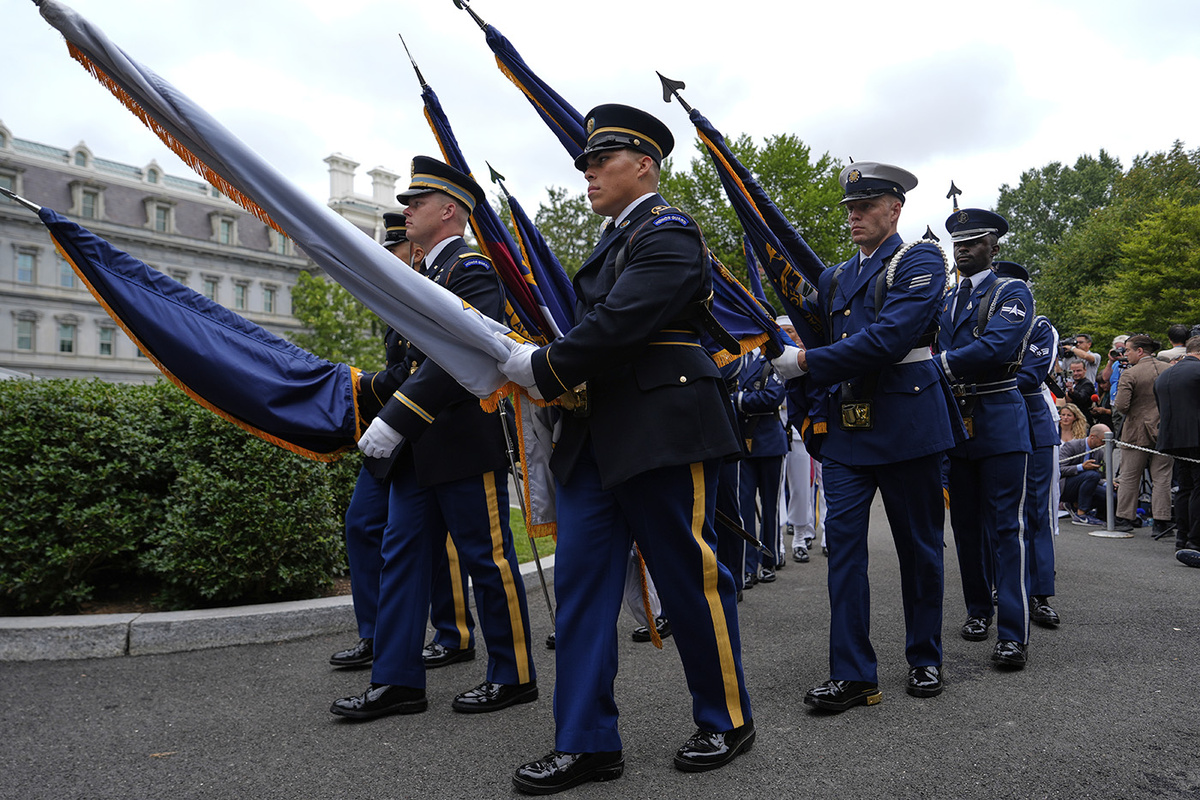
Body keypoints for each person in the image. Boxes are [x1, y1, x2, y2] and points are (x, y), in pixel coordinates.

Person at [495, 105, 753, 793]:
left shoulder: (669, 231)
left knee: (688, 581)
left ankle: (726, 718)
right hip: (595, 437)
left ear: (644, 165)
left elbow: (624, 318)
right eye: (584, 162)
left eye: (599, 161)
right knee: (580, 590)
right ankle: (586, 743)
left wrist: (543, 365)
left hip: (661, 427)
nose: (586, 172)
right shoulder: (614, 242)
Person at [331, 157, 536, 720]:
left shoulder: (472, 269)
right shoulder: (421, 278)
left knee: (487, 561)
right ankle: (397, 680)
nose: (406, 210)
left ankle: (513, 673)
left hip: (461, 439)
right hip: (419, 447)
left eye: (415, 203)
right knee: (400, 559)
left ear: (448, 211)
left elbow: (458, 357)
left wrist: (396, 417)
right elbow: (405, 363)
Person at [772, 162, 959, 709]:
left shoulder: (919, 259)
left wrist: (803, 361)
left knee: (919, 549)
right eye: (849, 209)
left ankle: (925, 657)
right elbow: (811, 327)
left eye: (865, 207)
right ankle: (853, 673)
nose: (854, 216)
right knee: (845, 552)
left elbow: (889, 337)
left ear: (895, 209)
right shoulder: (834, 277)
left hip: (907, 424)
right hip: (850, 431)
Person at [330, 212, 478, 672]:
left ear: (410, 252)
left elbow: (423, 370)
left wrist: (361, 385)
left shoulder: (437, 283)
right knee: (366, 525)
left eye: (388, 253)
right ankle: (378, 638)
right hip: (396, 427)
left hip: (429, 426)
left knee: (435, 540)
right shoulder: (400, 296)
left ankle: (453, 632)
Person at [938, 210, 1035, 669]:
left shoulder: (1011, 291)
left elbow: (995, 347)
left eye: (973, 242)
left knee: (1004, 529)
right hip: (956, 422)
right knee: (965, 528)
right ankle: (979, 611)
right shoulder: (948, 296)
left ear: (994, 247)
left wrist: (936, 367)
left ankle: (1013, 632)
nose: (962, 250)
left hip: (997, 417)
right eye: (957, 243)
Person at [996, 261, 1060, 627]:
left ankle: (1039, 592)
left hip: (1032, 422)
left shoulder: (1038, 326)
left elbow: (1031, 376)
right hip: (993, 421)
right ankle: (998, 587)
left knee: (1035, 513)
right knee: (995, 513)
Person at [734, 349, 788, 585]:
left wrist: (739, 400)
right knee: (743, 509)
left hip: (770, 444)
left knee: (769, 508)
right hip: (743, 445)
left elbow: (773, 396)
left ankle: (768, 561)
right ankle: (747, 566)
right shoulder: (733, 359)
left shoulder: (771, 359)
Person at [1112, 334, 1173, 534]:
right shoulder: (1169, 370)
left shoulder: (1131, 374)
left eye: (1128, 350)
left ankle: (1124, 518)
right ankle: (1161, 521)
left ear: (1139, 351)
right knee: (1162, 477)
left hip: (1136, 431)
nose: (1125, 354)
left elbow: (1121, 406)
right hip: (1164, 430)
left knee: (1130, 476)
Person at [1154, 335, 1200, 564]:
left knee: (1184, 488)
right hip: (1196, 437)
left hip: (1172, 438)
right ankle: (1195, 540)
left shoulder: (1165, 374)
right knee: (1198, 488)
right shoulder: (1198, 371)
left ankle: (1182, 538)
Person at [1060, 423, 1111, 525]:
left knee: (1111, 494)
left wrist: (1108, 484)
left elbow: (1097, 476)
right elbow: (1059, 469)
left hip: (1087, 482)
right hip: (1065, 485)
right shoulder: (1071, 445)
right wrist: (1081, 467)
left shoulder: (1099, 452)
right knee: (1092, 475)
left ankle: (1099, 515)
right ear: (1092, 437)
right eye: (1103, 441)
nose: (1104, 444)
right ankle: (1081, 514)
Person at [1065, 360, 1097, 427]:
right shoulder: (1072, 383)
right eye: (1073, 371)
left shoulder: (1087, 384)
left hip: (1083, 421)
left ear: (1085, 370)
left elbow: (1082, 398)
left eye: (1078, 370)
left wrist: (1072, 391)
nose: (1076, 373)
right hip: (1073, 420)